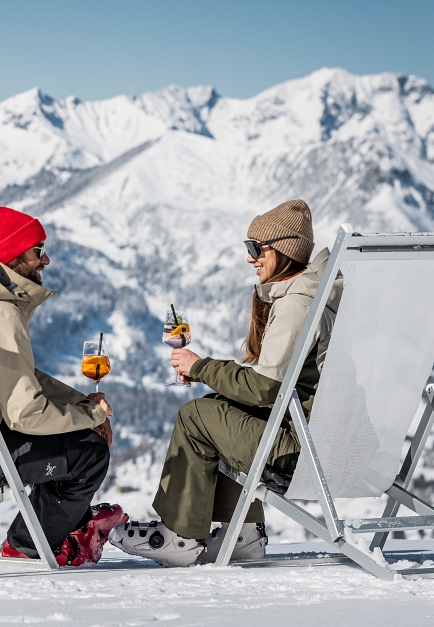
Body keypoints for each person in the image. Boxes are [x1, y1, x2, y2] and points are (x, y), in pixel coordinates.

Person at [110, 199, 343, 566]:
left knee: (196, 415)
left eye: (256, 249)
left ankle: (180, 537)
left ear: (282, 249)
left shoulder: (299, 301)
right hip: (330, 441)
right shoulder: (320, 292)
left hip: (303, 451)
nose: (250, 258)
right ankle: (245, 534)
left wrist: (200, 366)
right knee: (221, 407)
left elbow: (265, 387)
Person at [0, 206, 126, 566]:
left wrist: (78, 404)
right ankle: (26, 547)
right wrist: (91, 414)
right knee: (89, 451)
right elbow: (26, 416)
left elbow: (18, 374)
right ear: (12, 254)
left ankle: (71, 527)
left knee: (63, 436)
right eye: (38, 248)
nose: (45, 260)